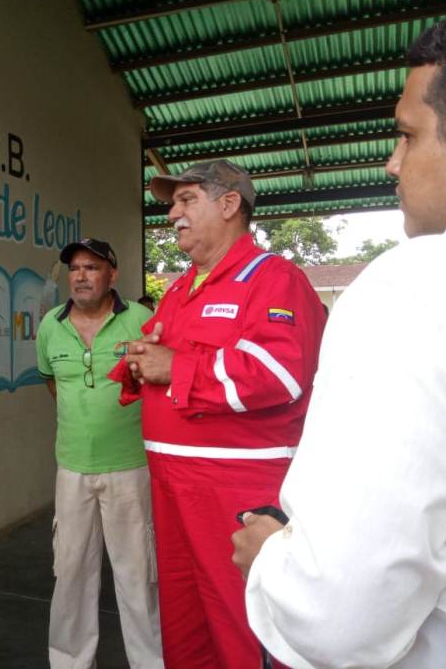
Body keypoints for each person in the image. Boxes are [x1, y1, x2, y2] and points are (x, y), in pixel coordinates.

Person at [233, 0, 446, 668]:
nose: (391, 164)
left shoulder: (420, 288)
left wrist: (271, 557)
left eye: (407, 134)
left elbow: (337, 620)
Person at [110, 161, 326, 668]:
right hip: (171, 486)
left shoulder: (274, 279)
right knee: (185, 627)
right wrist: (139, 362)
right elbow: (154, 360)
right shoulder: (182, 290)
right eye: (172, 203)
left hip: (235, 490)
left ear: (229, 204)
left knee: (241, 627)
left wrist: (175, 367)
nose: (173, 214)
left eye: (186, 200)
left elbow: (280, 371)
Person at [36, 238, 162, 669]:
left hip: (131, 467)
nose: (81, 275)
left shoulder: (143, 320)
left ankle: (150, 662)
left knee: (137, 577)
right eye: (74, 268)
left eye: (92, 267)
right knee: (70, 575)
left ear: (113, 274)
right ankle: (71, 662)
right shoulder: (51, 324)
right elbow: (52, 382)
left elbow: (163, 380)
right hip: (71, 468)